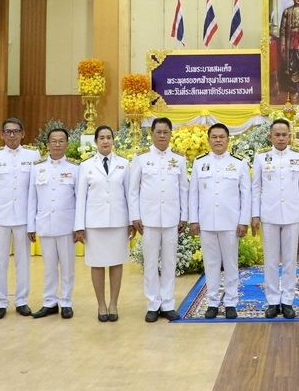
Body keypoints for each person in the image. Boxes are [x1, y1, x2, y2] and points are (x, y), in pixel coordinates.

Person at [128, 117, 188, 322]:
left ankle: (168, 303)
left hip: (171, 218)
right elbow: (133, 190)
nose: (162, 135)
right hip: (149, 219)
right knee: (151, 263)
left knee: (170, 262)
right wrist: (135, 216)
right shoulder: (141, 157)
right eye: (158, 132)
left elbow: (183, 189)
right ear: (151, 134)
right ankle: (153, 304)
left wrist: (184, 215)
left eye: (166, 132)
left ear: (171, 134)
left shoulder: (179, 158)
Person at [189, 124, 252, 320]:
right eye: (214, 137)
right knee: (211, 264)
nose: (218, 140)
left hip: (230, 222)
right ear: (209, 140)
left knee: (231, 264)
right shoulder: (200, 162)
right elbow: (193, 194)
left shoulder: (239, 163)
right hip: (207, 221)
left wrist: (244, 220)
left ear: (228, 140)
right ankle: (213, 302)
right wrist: (193, 220)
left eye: (221, 137)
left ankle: (231, 302)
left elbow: (246, 194)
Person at [249, 119, 299, 319]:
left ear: (290, 136)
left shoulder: (298, 156)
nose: (281, 138)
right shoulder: (261, 157)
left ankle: (288, 301)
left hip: (292, 214)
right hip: (269, 214)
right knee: (271, 260)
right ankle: (273, 301)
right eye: (277, 135)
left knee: (290, 260)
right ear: (270, 137)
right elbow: (255, 188)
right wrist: (255, 214)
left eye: (284, 135)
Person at [74, 125, 132, 322]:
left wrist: (131, 221)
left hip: (118, 221)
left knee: (116, 263)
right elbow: (81, 198)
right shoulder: (86, 165)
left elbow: (129, 195)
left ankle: (113, 304)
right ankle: (101, 304)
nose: (105, 141)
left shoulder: (123, 164)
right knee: (97, 264)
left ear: (113, 140)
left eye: (109, 137)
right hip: (95, 223)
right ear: (96, 141)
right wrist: (79, 226)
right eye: (102, 138)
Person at [0, 118, 37, 319]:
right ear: (2, 135)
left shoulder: (33, 155)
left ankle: (22, 301)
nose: (12, 135)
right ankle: (0, 301)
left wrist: (33, 221)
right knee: (0, 262)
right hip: (0, 218)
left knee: (23, 262)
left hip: (24, 218)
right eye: (8, 131)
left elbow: (34, 190)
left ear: (23, 134)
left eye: (15, 131)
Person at [28, 128, 79, 319]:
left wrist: (78, 226)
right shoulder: (37, 168)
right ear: (47, 144)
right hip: (45, 224)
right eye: (54, 141)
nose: (57, 144)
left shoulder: (75, 168)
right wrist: (31, 226)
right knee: (49, 267)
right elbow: (32, 199)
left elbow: (79, 200)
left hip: (67, 225)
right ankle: (49, 302)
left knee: (67, 267)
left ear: (67, 144)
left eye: (61, 141)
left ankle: (66, 302)